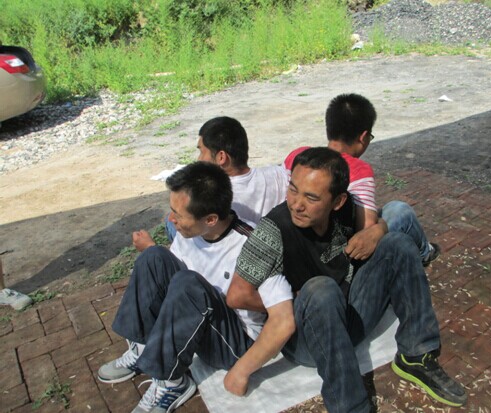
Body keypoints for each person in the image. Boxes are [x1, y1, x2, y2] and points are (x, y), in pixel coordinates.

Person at [227, 147, 467, 412]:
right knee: (321, 289)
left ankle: (416, 354)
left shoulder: (348, 209)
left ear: (338, 201)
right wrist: (292, 304)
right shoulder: (273, 230)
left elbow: (382, 223)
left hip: (348, 313)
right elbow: (237, 295)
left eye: (311, 197)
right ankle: (350, 406)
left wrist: (379, 230)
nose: (296, 204)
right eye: (293, 190)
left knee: (397, 244)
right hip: (307, 340)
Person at [99, 162, 294, 413]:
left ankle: (172, 382)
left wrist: (242, 371)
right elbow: (171, 277)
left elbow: (283, 318)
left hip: (234, 342)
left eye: (178, 215)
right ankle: (144, 349)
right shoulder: (190, 231)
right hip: (199, 316)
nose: (171, 220)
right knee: (154, 257)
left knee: (188, 283)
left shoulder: (253, 247)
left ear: (210, 219)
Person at [284, 93, 440, 265]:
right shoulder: (357, 170)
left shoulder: (299, 155)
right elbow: (366, 233)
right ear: (363, 137)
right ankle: (425, 253)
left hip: (296, 239)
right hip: (335, 251)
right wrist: (381, 227)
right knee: (399, 210)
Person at [162, 116, 288, 244]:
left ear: (221, 157)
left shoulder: (214, 197)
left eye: (202, 152)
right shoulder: (279, 174)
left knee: (170, 221)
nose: (199, 159)